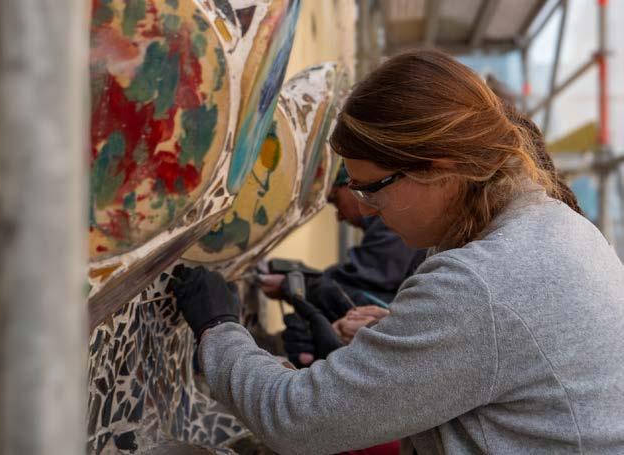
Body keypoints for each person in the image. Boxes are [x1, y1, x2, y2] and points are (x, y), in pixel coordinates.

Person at [172, 49, 624, 454]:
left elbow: (295, 420)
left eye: (371, 189)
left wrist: (219, 328)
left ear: (438, 168)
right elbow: (502, 343)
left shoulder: (479, 284)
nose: (367, 210)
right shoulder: (557, 227)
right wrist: (396, 333)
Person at [260, 166, 426, 368]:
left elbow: (361, 282)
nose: (339, 216)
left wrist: (298, 285)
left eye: (335, 200)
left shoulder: (398, 221)